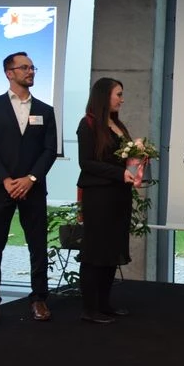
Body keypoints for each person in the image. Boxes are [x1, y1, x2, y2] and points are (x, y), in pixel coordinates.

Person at [0, 52, 57, 325]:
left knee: (37, 245)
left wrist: (30, 179)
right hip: (2, 188)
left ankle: (39, 299)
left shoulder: (45, 110)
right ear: (9, 73)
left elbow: (49, 150)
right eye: (24, 67)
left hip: (33, 188)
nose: (30, 71)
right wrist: (6, 179)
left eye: (32, 67)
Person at [76, 78, 136, 324]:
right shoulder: (88, 124)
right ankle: (90, 308)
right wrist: (119, 173)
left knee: (112, 250)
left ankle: (104, 304)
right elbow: (86, 163)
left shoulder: (117, 124)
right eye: (118, 94)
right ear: (104, 96)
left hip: (119, 195)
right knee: (96, 252)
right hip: (99, 197)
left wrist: (138, 162)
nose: (122, 99)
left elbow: (125, 158)